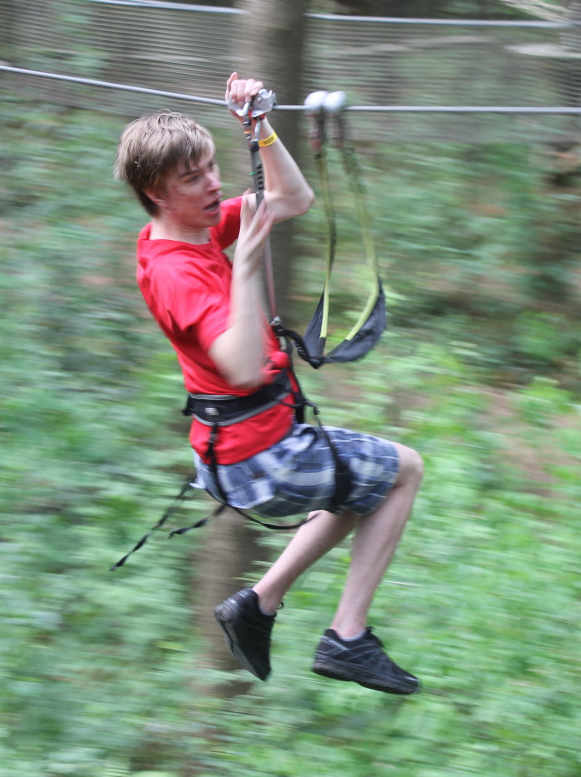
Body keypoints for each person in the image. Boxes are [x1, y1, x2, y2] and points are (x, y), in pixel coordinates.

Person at [113, 73, 424, 695]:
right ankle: (348, 637)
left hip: (244, 450)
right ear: (157, 192)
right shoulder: (176, 272)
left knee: (355, 490)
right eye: (193, 178)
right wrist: (249, 262)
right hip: (259, 457)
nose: (213, 184)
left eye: (210, 168)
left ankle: (259, 605)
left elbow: (292, 197)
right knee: (403, 471)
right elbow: (240, 366)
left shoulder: (189, 231)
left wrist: (259, 127)